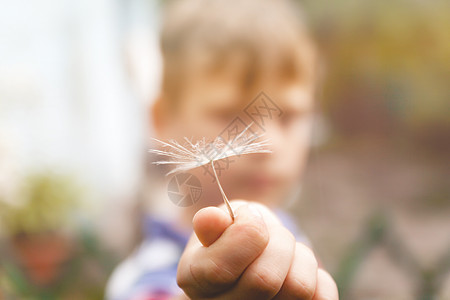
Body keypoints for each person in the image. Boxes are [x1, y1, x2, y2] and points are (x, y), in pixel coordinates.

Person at [106, 0, 339, 299]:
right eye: (231, 116)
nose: (266, 145)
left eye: (289, 116)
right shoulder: (143, 284)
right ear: (161, 120)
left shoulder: (297, 240)